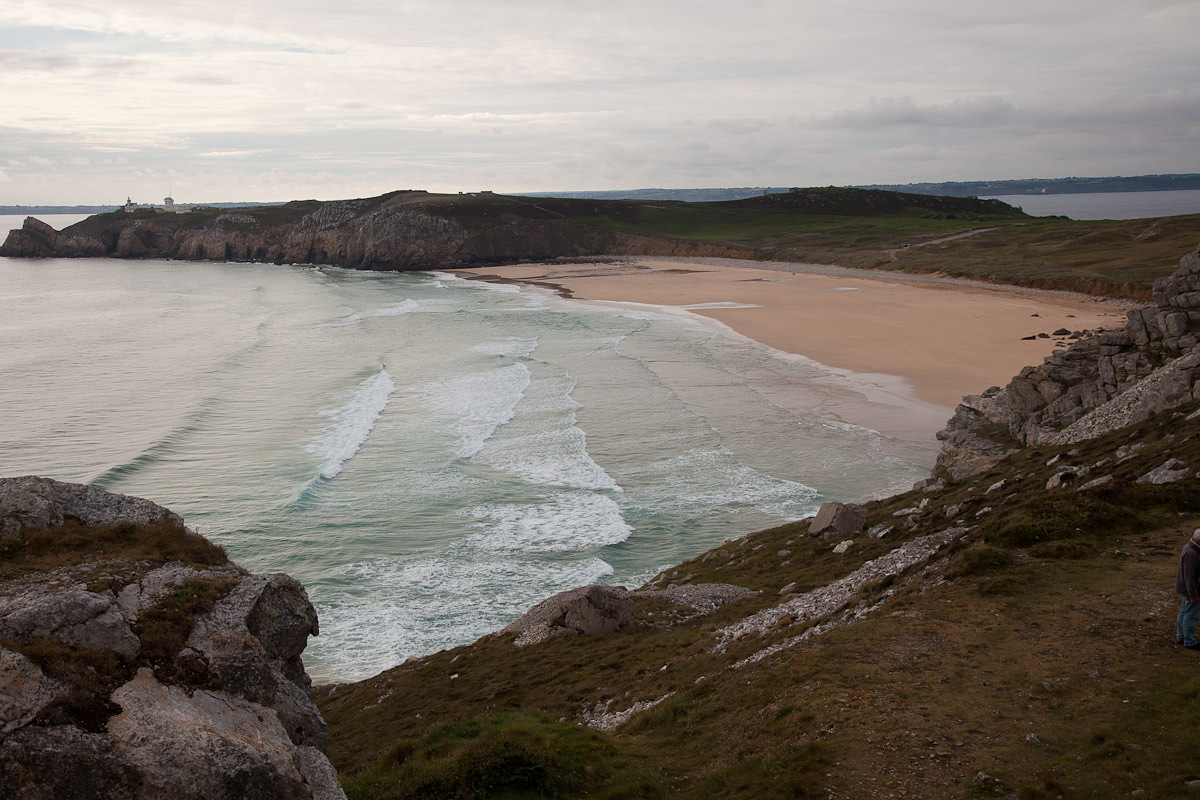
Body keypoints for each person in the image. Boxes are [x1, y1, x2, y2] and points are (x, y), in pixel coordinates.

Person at [1177, 529, 1200, 649]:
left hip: (1186, 589)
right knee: (1190, 615)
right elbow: (1189, 578)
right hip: (1191, 590)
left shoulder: (1189, 548)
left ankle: (1181, 636)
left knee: (1184, 612)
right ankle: (1190, 641)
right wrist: (1194, 596)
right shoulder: (1192, 553)